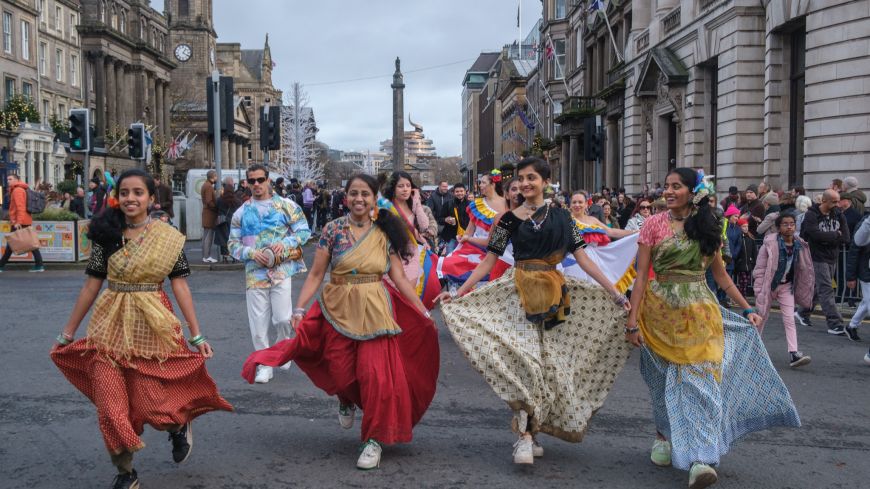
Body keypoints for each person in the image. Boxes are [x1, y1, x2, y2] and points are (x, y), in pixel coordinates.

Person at [436, 157, 632, 466]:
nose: (526, 183)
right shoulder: (508, 221)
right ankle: (524, 438)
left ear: (545, 181)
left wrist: (615, 293)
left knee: (547, 369)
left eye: (532, 178)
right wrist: (459, 292)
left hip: (554, 296)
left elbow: (583, 259)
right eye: (521, 179)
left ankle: (533, 430)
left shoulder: (564, 218)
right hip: (517, 295)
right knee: (525, 363)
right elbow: (489, 261)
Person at [241, 174, 439, 470]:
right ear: (345, 197)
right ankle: (345, 398)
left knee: (376, 376)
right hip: (337, 306)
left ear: (374, 200)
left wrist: (422, 311)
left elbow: (398, 277)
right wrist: (299, 308)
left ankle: (373, 439)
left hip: (375, 308)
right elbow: (317, 274)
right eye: (354, 193)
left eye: (365, 195)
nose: (359, 199)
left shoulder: (385, 232)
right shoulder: (332, 230)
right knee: (341, 370)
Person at [50, 169, 232, 489]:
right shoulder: (108, 232)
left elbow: (181, 288)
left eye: (137, 193)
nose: (130, 198)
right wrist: (67, 333)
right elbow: (91, 287)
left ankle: (177, 427)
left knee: (152, 404)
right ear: (116, 197)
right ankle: (126, 472)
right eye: (124, 193)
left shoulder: (166, 237)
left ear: (150, 198)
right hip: (109, 326)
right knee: (110, 405)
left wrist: (197, 334)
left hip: (155, 325)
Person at [625, 168, 799, 489]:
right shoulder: (653, 224)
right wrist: (633, 321)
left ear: (693, 192)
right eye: (666, 186)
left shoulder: (709, 226)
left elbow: (720, 276)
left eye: (676, 186)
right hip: (658, 314)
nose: (669, 191)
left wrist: (746, 308)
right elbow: (640, 277)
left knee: (700, 383)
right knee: (661, 381)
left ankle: (701, 458)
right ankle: (663, 436)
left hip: (700, 314)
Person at [229, 164, 311, 384]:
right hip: (255, 273)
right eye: (251, 180)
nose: (256, 184)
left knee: (283, 318)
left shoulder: (286, 206)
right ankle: (264, 364)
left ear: (268, 180)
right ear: (246, 183)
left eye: (260, 180)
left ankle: (282, 350)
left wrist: (285, 244)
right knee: (258, 324)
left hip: (281, 270)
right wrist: (250, 253)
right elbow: (232, 244)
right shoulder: (242, 212)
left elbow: (304, 230)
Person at [752, 213, 814, 367]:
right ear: (779, 227)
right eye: (785, 224)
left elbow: (805, 269)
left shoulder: (800, 244)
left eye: (792, 223)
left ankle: (794, 353)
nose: (789, 227)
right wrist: (759, 289)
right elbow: (759, 269)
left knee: (789, 319)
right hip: (769, 286)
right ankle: (752, 350)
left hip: (787, 286)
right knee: (760, 318)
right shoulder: (769, 244)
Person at [436, 169, 508, 288]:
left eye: (483, 182)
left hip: (502, 252)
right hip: (477, 249)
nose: (480, 185)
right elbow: (470, 230)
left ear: (493, 184)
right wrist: (463, 237)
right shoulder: (477, 204)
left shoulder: (508, 204)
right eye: (480, 182)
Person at [382, 171, 441, 308]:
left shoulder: (413, 206)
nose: (405, 189)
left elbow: (425, 226)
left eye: (408, 185)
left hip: (411, 254)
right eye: (400, 186)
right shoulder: (385, 207)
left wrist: (417, 203)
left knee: (409, 294)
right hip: (391, 254)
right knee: (392, 295)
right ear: (393, 188)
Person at [799, 189, 851, 336]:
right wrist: (835, 234)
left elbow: (846, 238)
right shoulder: (811, 215)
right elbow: (815, 235)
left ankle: (803, 311)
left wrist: (828, 237)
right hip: (816, 256)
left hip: (832, 256)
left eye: (838, 201)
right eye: (834, 202)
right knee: (826, 289)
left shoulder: (839, 214)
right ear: (824, 201)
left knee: (819, 287)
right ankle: (834, 323)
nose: (837, 204)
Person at [0, 174, 45, 272]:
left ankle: (1, 265)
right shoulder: (20, 189)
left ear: (17, 180)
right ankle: (39, 265)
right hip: (24, 220)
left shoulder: (17, 191)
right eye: (7, 179)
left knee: (12, 244)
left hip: (20, 221)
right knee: (30, 243)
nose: (8, 181)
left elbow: (20, 208)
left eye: (10, 179)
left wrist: (18, 222)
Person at [846, 214, 870, 344]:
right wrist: (851, 277)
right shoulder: (864, 225)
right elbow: (853, 252)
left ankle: (851, 326)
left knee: (866, 303)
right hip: (866, 271)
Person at [440, 183, 470, 255]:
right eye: (457, 191)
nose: (459, 193)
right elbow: (439, 219)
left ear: (465, 192)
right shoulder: (448, 204)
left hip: (466, 237)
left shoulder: (471, 205)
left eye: (461, 191)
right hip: (451, 237)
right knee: (450, 258)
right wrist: (445, 220)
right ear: (453, 193)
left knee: (464, 258)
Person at [215, 183, 242, 263]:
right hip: (233, 222)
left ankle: (225, 258)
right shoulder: (236, 200)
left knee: (223, 240)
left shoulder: (220, 199)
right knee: (233, 239)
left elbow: (216, 208)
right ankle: (234, 257)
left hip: (222, 222)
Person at [733, 218, 757, 298]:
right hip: (741, 264)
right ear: (739, 227)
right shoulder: (738, 237)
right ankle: (743, 296)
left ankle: (742, 295)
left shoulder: (750, 238)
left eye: (747, 226)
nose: (746, 228)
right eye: (743, 226)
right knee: (743, 281)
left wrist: (754, 261)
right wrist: (737, 260)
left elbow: (754, 251)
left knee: (746, 281)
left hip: (749, 264)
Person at [200, 170, 219, 263]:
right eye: (216, 176)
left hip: (207, 213)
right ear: (213, 177)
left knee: (206, 236)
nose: (217, 178)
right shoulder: (208, 186)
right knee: (208, 236)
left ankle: (205, 256)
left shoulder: (206, 185)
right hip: (209, 214)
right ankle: (206, 256)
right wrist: (215, 208)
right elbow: (209, 201)